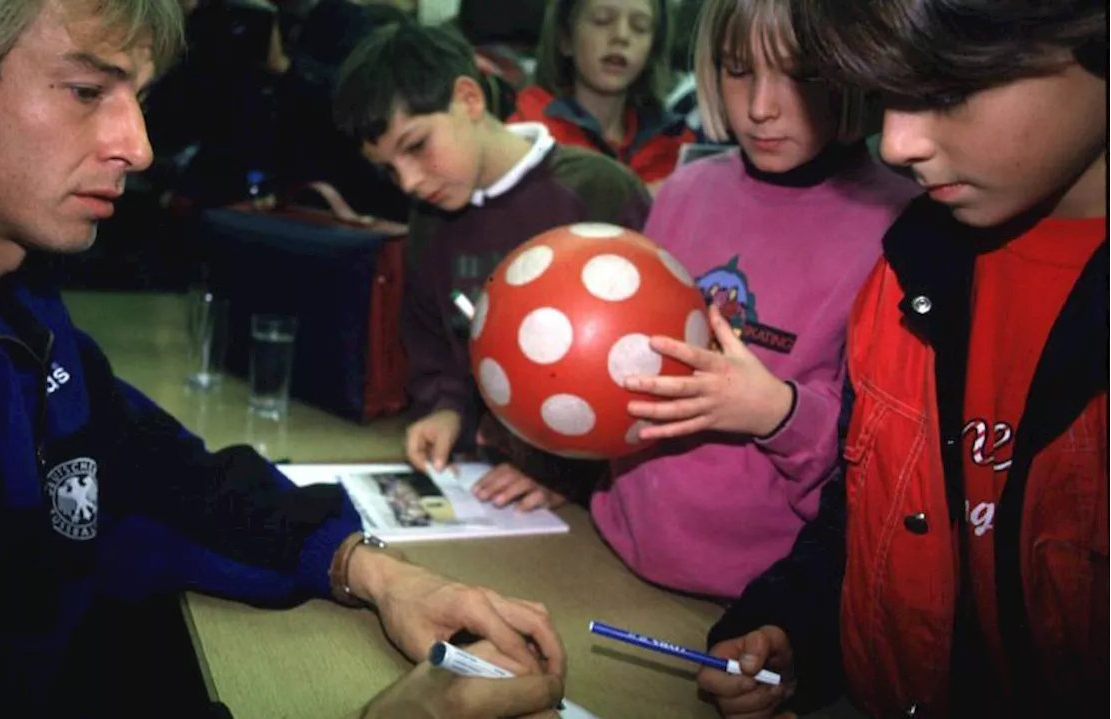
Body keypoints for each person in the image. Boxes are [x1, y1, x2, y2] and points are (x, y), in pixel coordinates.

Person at [0, 1, 567, 716]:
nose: (139, 146)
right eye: (87, 91)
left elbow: (154, 473)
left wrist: (373, 571)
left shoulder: (15, 302)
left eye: (138, 97)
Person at [697, 1, 1107, 717]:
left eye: (948, 91)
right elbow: (860, 518)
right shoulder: (907, 269)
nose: (895, 142)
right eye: (889, 92)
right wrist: (795, 631)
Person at [482, 0, 919, 602]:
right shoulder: (684, 190)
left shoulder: (898, 225)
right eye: (738, 70)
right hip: (616, 544)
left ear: (855, 69)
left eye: (802, 74)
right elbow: (623, 371)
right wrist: (570, 470)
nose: (761, 108)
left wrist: (777, 412)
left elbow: (889, 459)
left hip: (764, 599)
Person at [332, 21, 651, 513]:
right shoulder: (430, 222)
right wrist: (446, 411)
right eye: (390, 169)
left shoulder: (599, 192)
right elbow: (432, 339)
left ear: (469, 99)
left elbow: (650, 363)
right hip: (487, 482)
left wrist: (570, 475)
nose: (410, 182)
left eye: (416, 146)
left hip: (595, 499)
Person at [510, 0, 694, 190]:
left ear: (652, 51)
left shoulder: (676, 144)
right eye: (602, 21)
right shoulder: (525, 139)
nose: (621, 36)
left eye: (640, 27)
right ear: (565, 39)